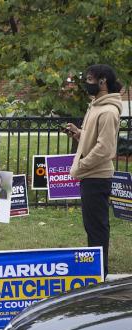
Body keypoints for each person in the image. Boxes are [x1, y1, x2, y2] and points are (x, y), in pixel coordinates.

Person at [65, 64, 122, 278]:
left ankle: (101, 275)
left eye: (90, 79)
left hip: (97, 177)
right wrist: (79, 133)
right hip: (90, 175)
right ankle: (96, 272)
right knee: (92, 227)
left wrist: (81, 165)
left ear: (102, 81)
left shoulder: (108, 111)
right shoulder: (95, 106)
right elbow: (95, 140)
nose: (86, 83)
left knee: (97, 229)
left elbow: (105, 149)